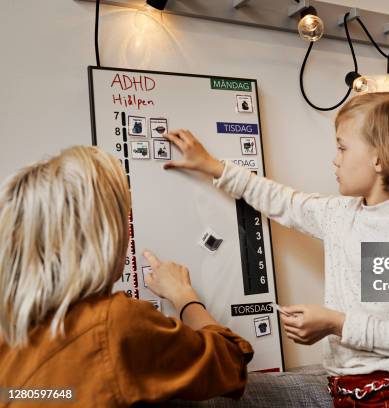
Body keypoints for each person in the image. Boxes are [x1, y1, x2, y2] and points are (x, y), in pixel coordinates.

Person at [162, 91, 389, 407]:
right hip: (347, 393)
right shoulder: (342, 214)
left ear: (379, 158)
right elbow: (284, 201)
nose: (335, 158)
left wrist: (335, 323)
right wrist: (214, 167)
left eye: (342, 147)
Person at [0, 146, 253, 407]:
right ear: (102, 234)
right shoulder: (115, 323)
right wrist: (184, 296)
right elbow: (232, 365)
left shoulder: (10, 340)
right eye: (122, 216)